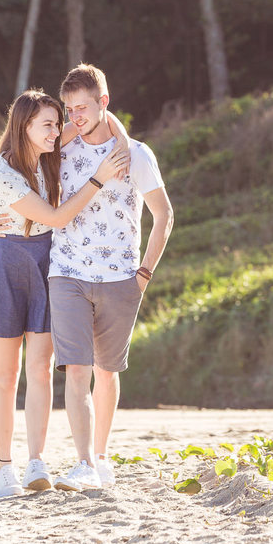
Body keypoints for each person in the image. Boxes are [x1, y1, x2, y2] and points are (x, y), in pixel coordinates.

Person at [0, 89, 128, 498]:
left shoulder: (50, 151)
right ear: (25, 127)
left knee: (41, 369)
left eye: (57, 122)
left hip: (50, 264)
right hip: (8, 266)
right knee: (6, 374)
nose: (58, 130)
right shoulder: (3, 173)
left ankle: (36, 461)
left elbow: (107, 118)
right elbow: (55, 216)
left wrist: (119, 144)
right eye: (48, 124)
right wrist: (99, 177)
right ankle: (3, 466)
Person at [47, 64, 174, 491]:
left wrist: (143, 274)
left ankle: (100, 456)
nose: (75, 117)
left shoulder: (135, 154)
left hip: (121, 277)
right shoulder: (61, 148)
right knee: (77, 369)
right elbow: (19, 158)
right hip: (66, 272)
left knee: (106, 370)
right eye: (69, 110)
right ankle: (82, 462)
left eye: (83, 107)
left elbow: (164, 215)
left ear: (104, 102)